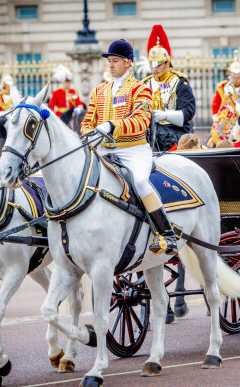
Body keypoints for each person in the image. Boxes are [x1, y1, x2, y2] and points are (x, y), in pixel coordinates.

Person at [80, 39, 177, 255]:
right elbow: (88, 121)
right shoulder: (99, 91)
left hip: (133, 149)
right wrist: (89, 134)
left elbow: (141, 121)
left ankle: (166, 234)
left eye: (115, 61)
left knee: (141, 182)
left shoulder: (140, 89)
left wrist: (113, 126)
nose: (111, 65)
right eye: (110, 61)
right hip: (103, 149)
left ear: (128, 63)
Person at [143, 25, 196, 152]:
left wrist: (165, 116)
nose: (154, 68)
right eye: (152, 64)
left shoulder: (179, 82)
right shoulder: (144, 84)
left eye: (158, 64)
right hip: (150, 133)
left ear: (167, 63)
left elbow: (188, 112)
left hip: (175, 133)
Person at [210, 50, 240, 146]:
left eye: (238, 73)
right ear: (230, 73)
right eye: (234, 73)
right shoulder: (222, 87)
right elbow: (215, 105)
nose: (236, 76)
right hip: (224, 121)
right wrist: (218, 120)